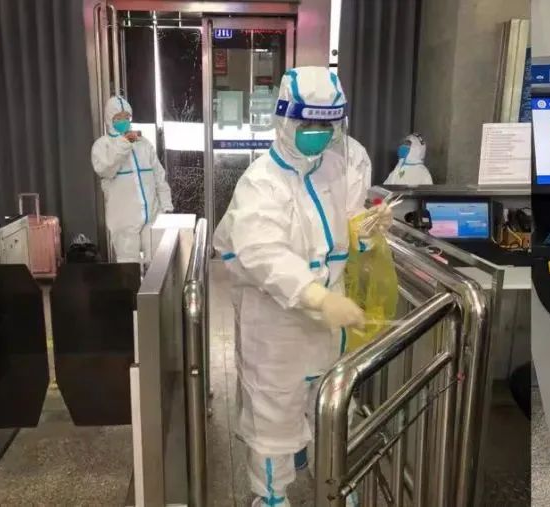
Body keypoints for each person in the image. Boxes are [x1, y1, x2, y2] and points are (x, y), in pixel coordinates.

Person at [213, 66, 392, 507]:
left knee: (330, 401)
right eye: (308, 123)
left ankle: (332, 478)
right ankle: (271, 496)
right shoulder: (262, 182)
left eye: (326, 125)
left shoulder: (337, 166)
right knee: (274, 415)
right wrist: (316, 296)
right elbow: (262, 252)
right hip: (277, 324)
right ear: (285, 119)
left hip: (329, 321)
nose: (318, 133)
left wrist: (366, 228)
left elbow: (347, 222)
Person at [91, 96, 174, 263]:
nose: (124, 121)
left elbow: (159, 177)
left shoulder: (143, 144)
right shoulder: (102, 146)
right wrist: (124, 143)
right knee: (128, 267)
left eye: (126, 117)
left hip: (152, 216)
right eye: (118, 117)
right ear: (109, 119)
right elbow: (106, 169)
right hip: (124, 220)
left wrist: (166, 206)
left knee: (157, 263)